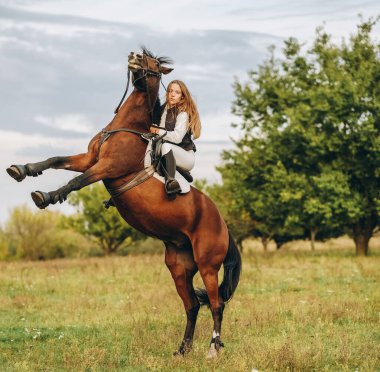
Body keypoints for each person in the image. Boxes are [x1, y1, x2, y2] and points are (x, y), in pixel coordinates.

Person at [150, 80, 201, 195]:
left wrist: (157, 130)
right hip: (166, 152)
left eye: (177, 92)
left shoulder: (183, 113)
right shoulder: (163, 110)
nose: (172, 94)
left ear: (182, 97)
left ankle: (171, 182)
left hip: (185, 157)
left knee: (165, 146)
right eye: (170, 91)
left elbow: (177, 138)